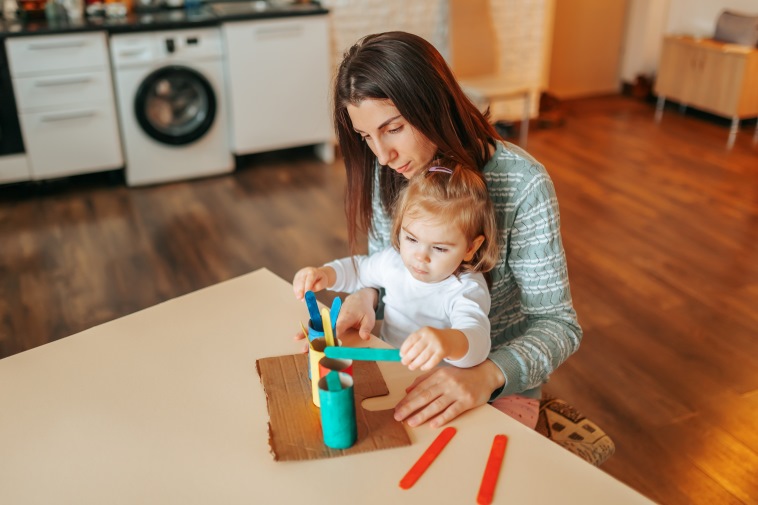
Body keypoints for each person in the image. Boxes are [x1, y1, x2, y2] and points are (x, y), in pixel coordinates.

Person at [321, 31, 582, 430]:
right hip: (404, 360)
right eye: (366, 136)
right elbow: (389, 267)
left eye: (393, 128)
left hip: (496, 381)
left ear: (433, 106)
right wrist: (366, 295)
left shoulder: (523, 183)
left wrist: (486, 375)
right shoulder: (388, 170)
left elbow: (558, 325)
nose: (382, 154)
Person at [294, 165, 499, 372]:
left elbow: (478, 342)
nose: (420, 256)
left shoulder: (466, 288)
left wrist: (447, 342)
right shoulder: (393, 262)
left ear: (471, 248)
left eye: (439, 248)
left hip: (432, 381)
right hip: (386, 366)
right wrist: (325, 274)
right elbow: (359, 271)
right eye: (411, 238)